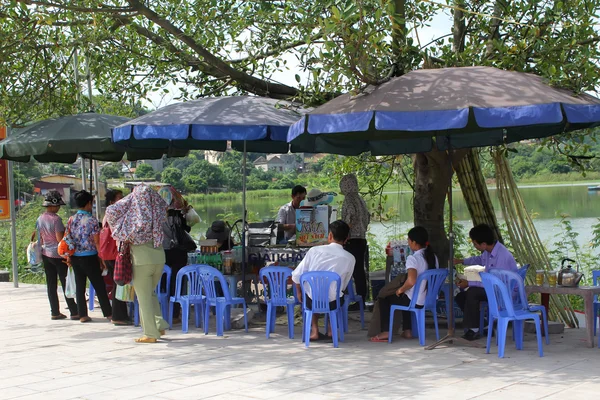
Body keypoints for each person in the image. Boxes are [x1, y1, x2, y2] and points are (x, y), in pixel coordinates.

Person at [106, 185, 169, 343]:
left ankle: (150, 333)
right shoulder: (157, 211)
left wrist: (127, 201)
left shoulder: (133, 222)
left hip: (141, 261)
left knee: (143, 298)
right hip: (159, 258)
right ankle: (159, 324)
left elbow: (111, 211)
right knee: (150, 293)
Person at [370, 226, 439, 342]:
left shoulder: (413, 258)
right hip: (429, 299)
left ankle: (386, 331)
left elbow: (411, 281)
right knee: (405, 295)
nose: (408, 242)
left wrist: (400, 290)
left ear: (414, 242)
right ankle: (407, 330)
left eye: (409, 240)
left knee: (385, 298)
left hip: (416, 300)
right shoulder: (433, 257)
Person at [291, 220, 355, 341]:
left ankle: (315, 331)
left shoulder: (314, 251)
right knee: (338, 293)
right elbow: (344, 284)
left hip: (311, 300)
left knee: (312, 293)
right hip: (333, 301)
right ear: (347, 238)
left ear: (330, 235)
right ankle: (331, 330)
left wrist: (299, 293)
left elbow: (296, 276)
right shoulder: (350, 258)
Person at [454, 224, 518, 341]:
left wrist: (469, 283)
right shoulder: (489, 251)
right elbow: (479, 259)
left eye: (475, 244)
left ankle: (473, 330)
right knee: (460, 296)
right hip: (494, 288)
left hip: (504, 293)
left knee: (472, 292)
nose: (475, 246)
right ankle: (484, 325)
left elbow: (495, 284)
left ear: (483, 244)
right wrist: (461, 261)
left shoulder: (502, 256)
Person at [69, 190, 112, 323]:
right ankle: (108, 313)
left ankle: (82, 314)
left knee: (79, 286)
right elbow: (97, 241)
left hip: (75, 256)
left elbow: (68, 238)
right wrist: (102, 258)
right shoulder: (92, 220)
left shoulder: (71, 219)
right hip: (90, 256)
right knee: (99, 285)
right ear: (88, 203)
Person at [36, 191, 78, 320]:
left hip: (46, 254)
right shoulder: (56, 219)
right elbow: (60, 240)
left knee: (51, 284)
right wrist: (67, 256)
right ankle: (74, 311)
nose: (59, 207)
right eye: (58, 205)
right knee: (65, 283)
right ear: (53, 206)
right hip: (58, 256)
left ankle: (54, 311)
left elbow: (40, 238)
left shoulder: (40, 218)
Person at [162, 186, 193, 324]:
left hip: (162, 252)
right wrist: (186, 211)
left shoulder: (155, 213)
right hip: (178, 251)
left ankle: (163, 311)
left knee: (163, 282)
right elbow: (187, 228)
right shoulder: (178, 213)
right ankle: (175, 314)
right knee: (178, 282)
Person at [339, 173, 370, 309]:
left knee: (351, 270)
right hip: (362, 238)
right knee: (359, 271)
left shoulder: (349, 199)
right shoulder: (360, 199)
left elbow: (348, 220)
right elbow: (367, 218)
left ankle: (353, 300)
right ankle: (362, 298)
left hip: (352, 239)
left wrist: (342, 235)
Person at [100, 189, 130, 326]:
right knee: (119, 283)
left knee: (117, 282)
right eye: (120, 198)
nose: (122, 200)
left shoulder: (107, 214)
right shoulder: (113, 214)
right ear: (112, 202)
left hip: (108, 253)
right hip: (114, 253)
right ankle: (118, 316)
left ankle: (120, 314)